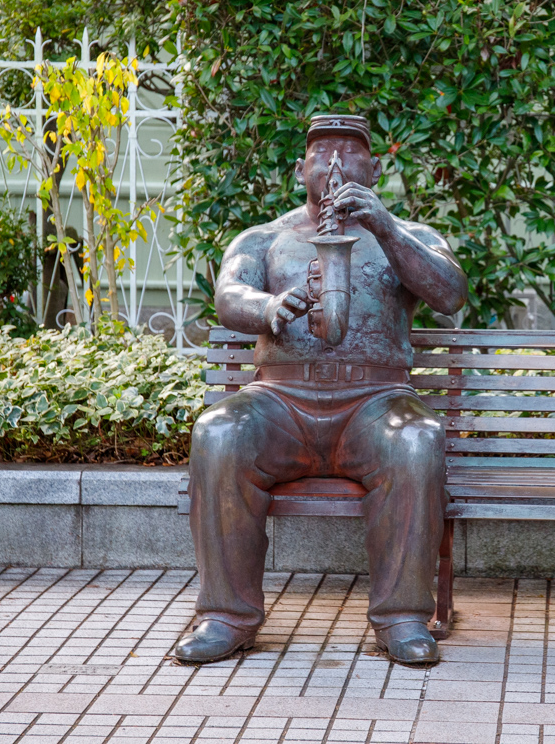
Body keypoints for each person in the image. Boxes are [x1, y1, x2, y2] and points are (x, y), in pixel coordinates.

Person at [176, 114, 468, 666]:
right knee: (217, 434)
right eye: (322, 152)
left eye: (352, 152)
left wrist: (385, 228)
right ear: (298, 171)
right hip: (280, 402)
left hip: (375, 403)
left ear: (377, 169)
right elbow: (227, 292)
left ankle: (401, 615)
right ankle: (226, 614)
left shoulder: (410, 236)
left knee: (416, 439)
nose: (336, 164)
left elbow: (450, 293)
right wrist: (265, 307)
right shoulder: (264, 238)